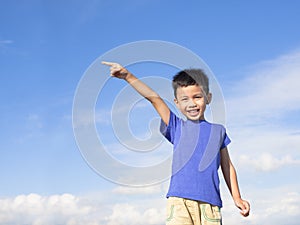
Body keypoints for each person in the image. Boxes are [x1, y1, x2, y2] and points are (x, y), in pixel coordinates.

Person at [102, 61, 250, 225]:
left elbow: (227, 166)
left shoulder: (218, 131)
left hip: (210, 206)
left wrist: (237, 197)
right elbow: (154, 99)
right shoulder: (176, 126)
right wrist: (128, 76)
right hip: (179, 203)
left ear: (208, 98)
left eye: (197, 97)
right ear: (177, 102)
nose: (191, 104)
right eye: (184, 99)